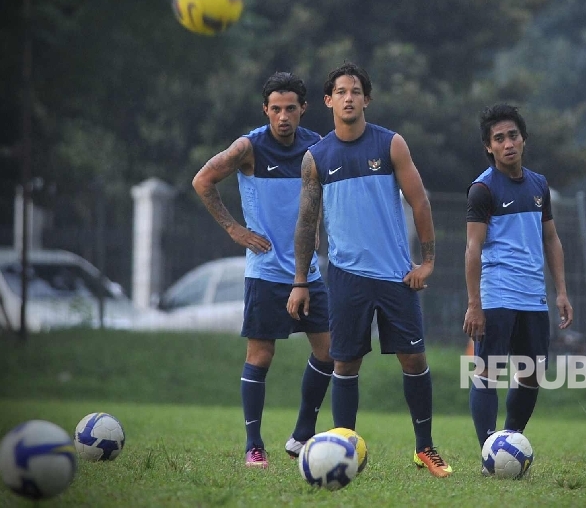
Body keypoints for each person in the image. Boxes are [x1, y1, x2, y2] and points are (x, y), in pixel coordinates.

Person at [286, 61, 453, 478]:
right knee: (345, 364)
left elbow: (420, 203)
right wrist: (301, 281)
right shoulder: (316, 157)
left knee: (414, 360)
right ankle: (345, 449)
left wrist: (427, 261)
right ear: (328, 101)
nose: (348, 97)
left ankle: (425, 449)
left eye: (355, 91)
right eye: (340, 91)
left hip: (397, 277)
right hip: (346, 278)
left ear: (366, 99)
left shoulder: (391, 144)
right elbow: (307, 223)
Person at [192, 72, 333, 469]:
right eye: (276, 109)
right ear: (265, 110)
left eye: (291, 108)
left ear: (303, 109)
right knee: (261, 354)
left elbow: (320, 194)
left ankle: (303, 434)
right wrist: (235, 230)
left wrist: (318, 224)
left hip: (308, 272)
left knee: (329, 352)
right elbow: (203, 180)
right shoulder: (248, 147)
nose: (283, 116)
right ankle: (254, 445)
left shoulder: (317, 147)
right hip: (266, 271)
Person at [462, 104, 574, 466]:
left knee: (532, 375)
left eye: (513, 135)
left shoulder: (540, 184)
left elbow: (552, 239)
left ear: (523, 139)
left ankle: (508, 446)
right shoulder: (483, 189)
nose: (508, 143)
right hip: (497, 293)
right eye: (499, 138)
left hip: (534, 297)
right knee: (488, 371)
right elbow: (473, 247)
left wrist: (562, 291)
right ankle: (487, 451)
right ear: (489, 147)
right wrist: (474, 303)